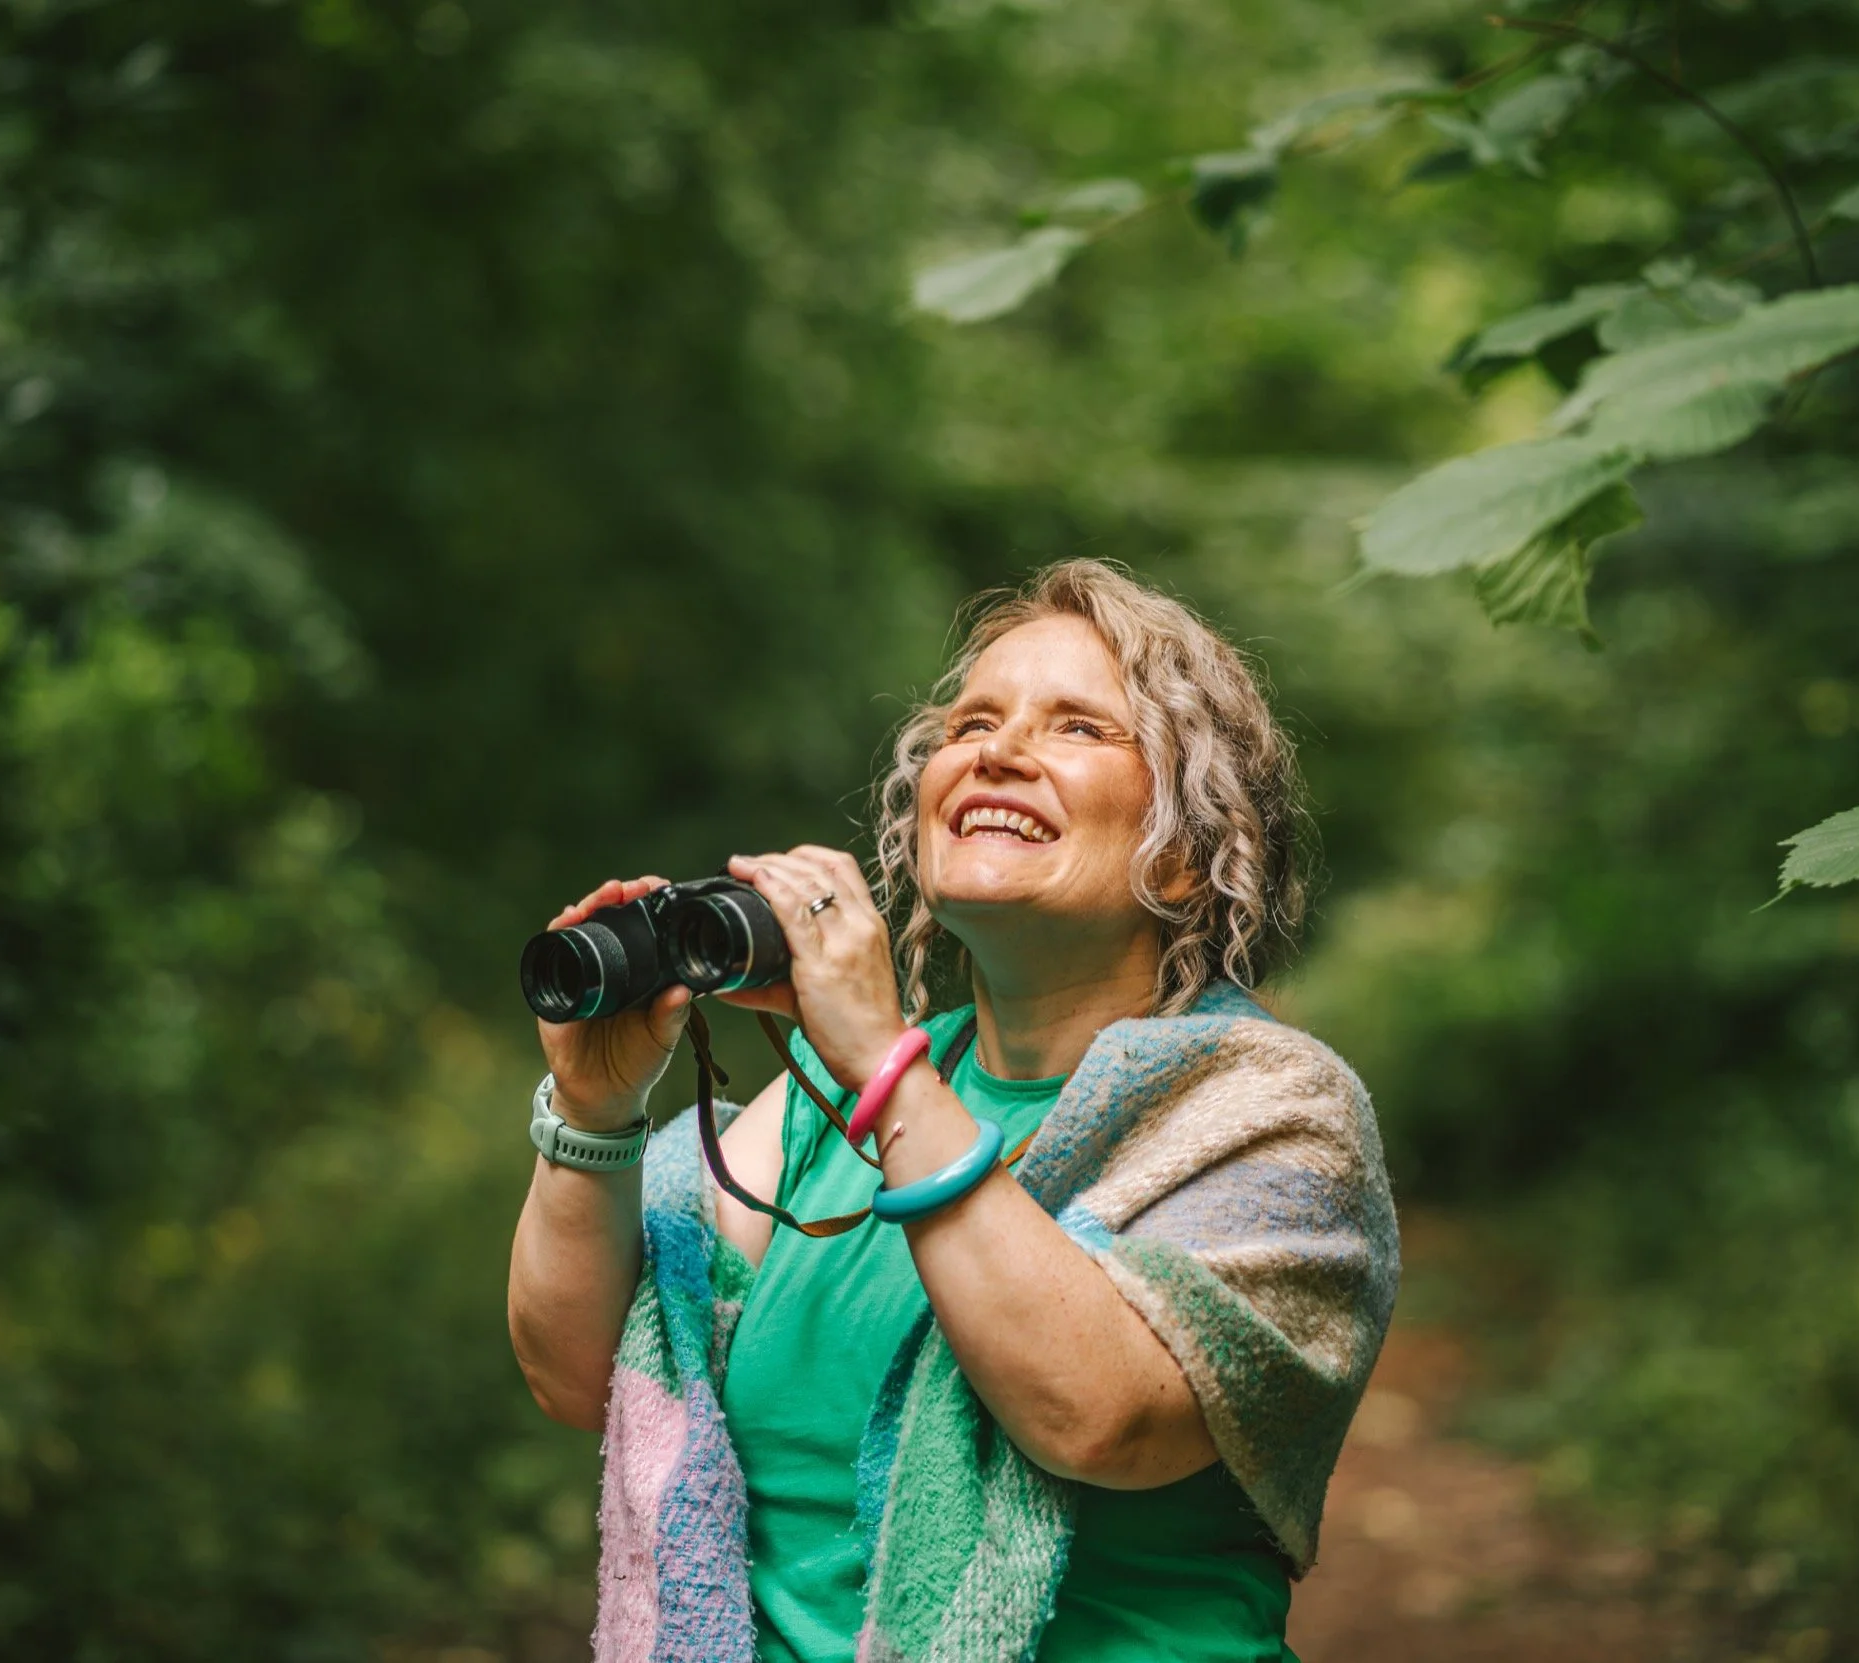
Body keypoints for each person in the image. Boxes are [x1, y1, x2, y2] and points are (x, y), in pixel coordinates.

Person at [508, 560, 1398, 1662]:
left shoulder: (1268, 1112)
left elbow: (1096, 1417)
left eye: (1076, 727)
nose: (997, 750)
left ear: (1180, 854)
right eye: (972, 721)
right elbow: (582, 1377)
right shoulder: (822, 1104)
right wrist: (594, 1108)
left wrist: (884, 1063)